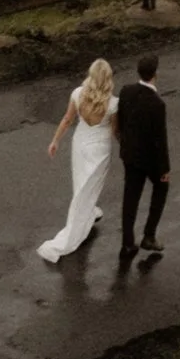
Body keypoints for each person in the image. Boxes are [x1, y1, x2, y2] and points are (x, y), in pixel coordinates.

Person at [37, 55, 117, 261]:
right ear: (108, 78)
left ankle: (87, 209)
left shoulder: (77, 94)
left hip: (80, 143)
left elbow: (67, 119)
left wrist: (55, 141)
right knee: (92, 184)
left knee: (81, 182)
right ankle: (80, 220)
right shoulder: (113, 104)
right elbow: (115, 132)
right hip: (100, 148)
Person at [116, 52, 170, 262]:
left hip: (130, 155)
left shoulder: (126, 91)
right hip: (149, 159)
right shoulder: (157, 104)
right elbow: (160, 139)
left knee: (130, 198)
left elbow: (121, 120)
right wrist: (164, 168)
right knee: (161, 188)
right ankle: (149, 235)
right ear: (155, 74)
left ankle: (128, 243)